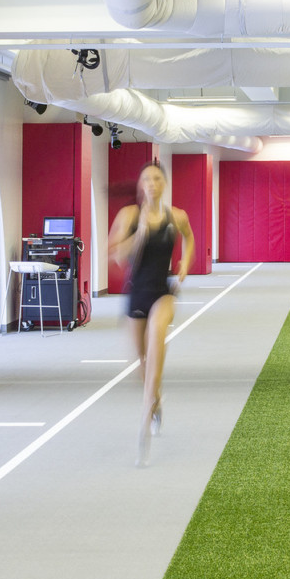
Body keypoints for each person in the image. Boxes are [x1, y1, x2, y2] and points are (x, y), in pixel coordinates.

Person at [108, 161, 195, 465]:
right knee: (139, 367)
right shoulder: (129, 216)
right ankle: (155, 400)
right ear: (140, 186)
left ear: (165, 184)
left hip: (163, 292)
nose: (152, 184)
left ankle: (145, 419)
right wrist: (141, 234)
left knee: (157, 340)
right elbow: (116, 256)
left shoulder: (176, 216)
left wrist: (184, 264)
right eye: (146, 179)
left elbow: (189, 237)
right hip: (136, 294)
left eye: (157, 178)